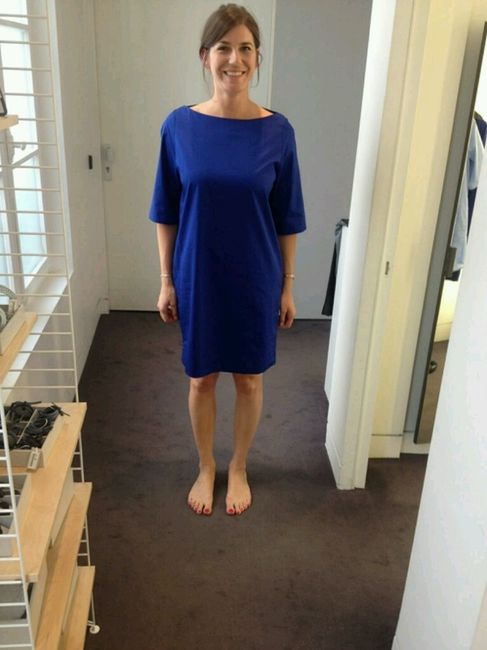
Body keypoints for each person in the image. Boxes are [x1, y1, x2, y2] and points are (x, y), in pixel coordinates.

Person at [149, 3, 306, 516]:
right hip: (198, 274)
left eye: (245, 49)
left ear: (257, 59)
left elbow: (287, 216)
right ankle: (205, 465)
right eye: (223, 48)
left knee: (249, 378)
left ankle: (237, 465)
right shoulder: (178, 127)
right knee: (201, 377)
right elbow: (165, 211)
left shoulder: (278, 132)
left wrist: (287, 285)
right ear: (205, 56)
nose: (234, 59)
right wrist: (166, 280)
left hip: (256, 276)